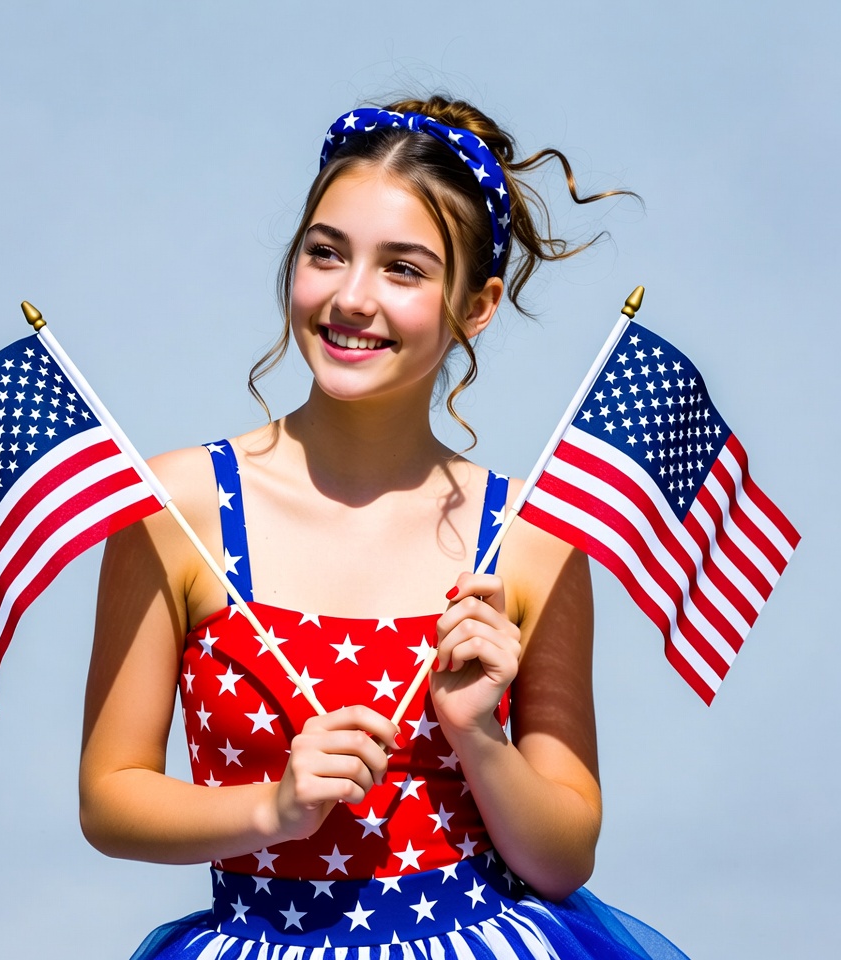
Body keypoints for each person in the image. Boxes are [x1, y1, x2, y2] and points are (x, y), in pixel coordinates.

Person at [79, 95, 690, 960]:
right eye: (326, 254)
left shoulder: (528, 533)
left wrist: (479, 736)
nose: (351, 298)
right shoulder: (176, 508)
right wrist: (271, 808)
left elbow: (563, 856)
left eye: (403, 269)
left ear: (475, 307)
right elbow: (109, 798)